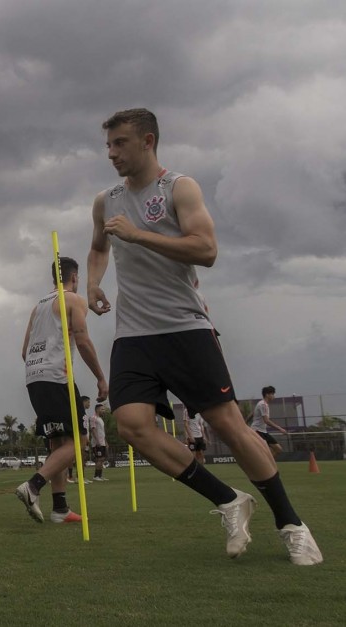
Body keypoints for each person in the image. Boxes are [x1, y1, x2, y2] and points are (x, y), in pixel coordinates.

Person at [87, 108, 321, 565]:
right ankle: (229, 500)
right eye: (108, 145)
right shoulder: (105, 200)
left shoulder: (179, 187)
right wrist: (93, 283)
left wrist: (138, 235)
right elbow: (98, 247)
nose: (111, 153)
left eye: (120, 144)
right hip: (133, 335)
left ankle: (292, 524)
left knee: (230, 428)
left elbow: (206, 249)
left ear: (148, 141)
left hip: (184, 328)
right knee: (132, 424)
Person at [15, 257, 108, 525]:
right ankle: (33, 486)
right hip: (57, 378)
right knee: (79, 442)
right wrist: (101, 377)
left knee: (58, 443)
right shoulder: (74, 300)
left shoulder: (38, 306)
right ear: (74, 277)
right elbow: (82, 337)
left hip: (33, 376)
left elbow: (24, 351)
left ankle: (60, 508)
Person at [251, 386, 287, 458]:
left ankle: (268, 465)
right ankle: (266, 466)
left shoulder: (261, 403)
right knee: (265, 451)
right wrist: (280, 428)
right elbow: (266, 421)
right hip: (257, 431)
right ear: (267, 395)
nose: (274, 396)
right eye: (272, 394)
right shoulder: (263, 404)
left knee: (278, 449)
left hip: (263, 431)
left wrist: (245, 421)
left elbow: (252, 413)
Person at [67, 395, 92, 485]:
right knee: (79, 458)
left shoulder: (84, 413)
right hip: (80, 438)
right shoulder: (78, 412)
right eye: (88, 402)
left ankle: (81, 476)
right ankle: (77, 477)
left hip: (85, 438)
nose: (89, 404)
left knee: (83, 458)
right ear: (83, 402)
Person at [91, 403, 109, 481]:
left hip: (102, 442)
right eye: (102, 409)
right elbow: (93, 429)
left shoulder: (100, 419)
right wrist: (97, 440)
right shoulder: (93, 418)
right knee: (99, 459)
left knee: (102, 459)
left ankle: (100, 475)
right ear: (97, 409)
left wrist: (105, 442)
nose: (103, 411)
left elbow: (102, 432)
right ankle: (96, 476)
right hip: (97, 443)